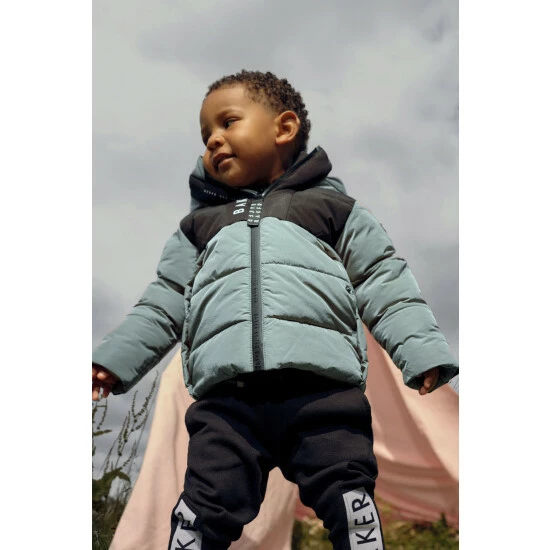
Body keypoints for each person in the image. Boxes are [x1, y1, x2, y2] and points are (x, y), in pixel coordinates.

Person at [92, 70, 459, 550]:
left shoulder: (332, 210)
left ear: (284, 128)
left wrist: (421, 348)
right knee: (204, 506)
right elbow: (165, 299)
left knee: (346, 492)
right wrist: (114, 360)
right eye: (206, 135)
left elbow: (382, 279)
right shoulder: (200, 227)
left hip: (321, 393)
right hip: (228, 403)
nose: (213, 140)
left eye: (227, 122)